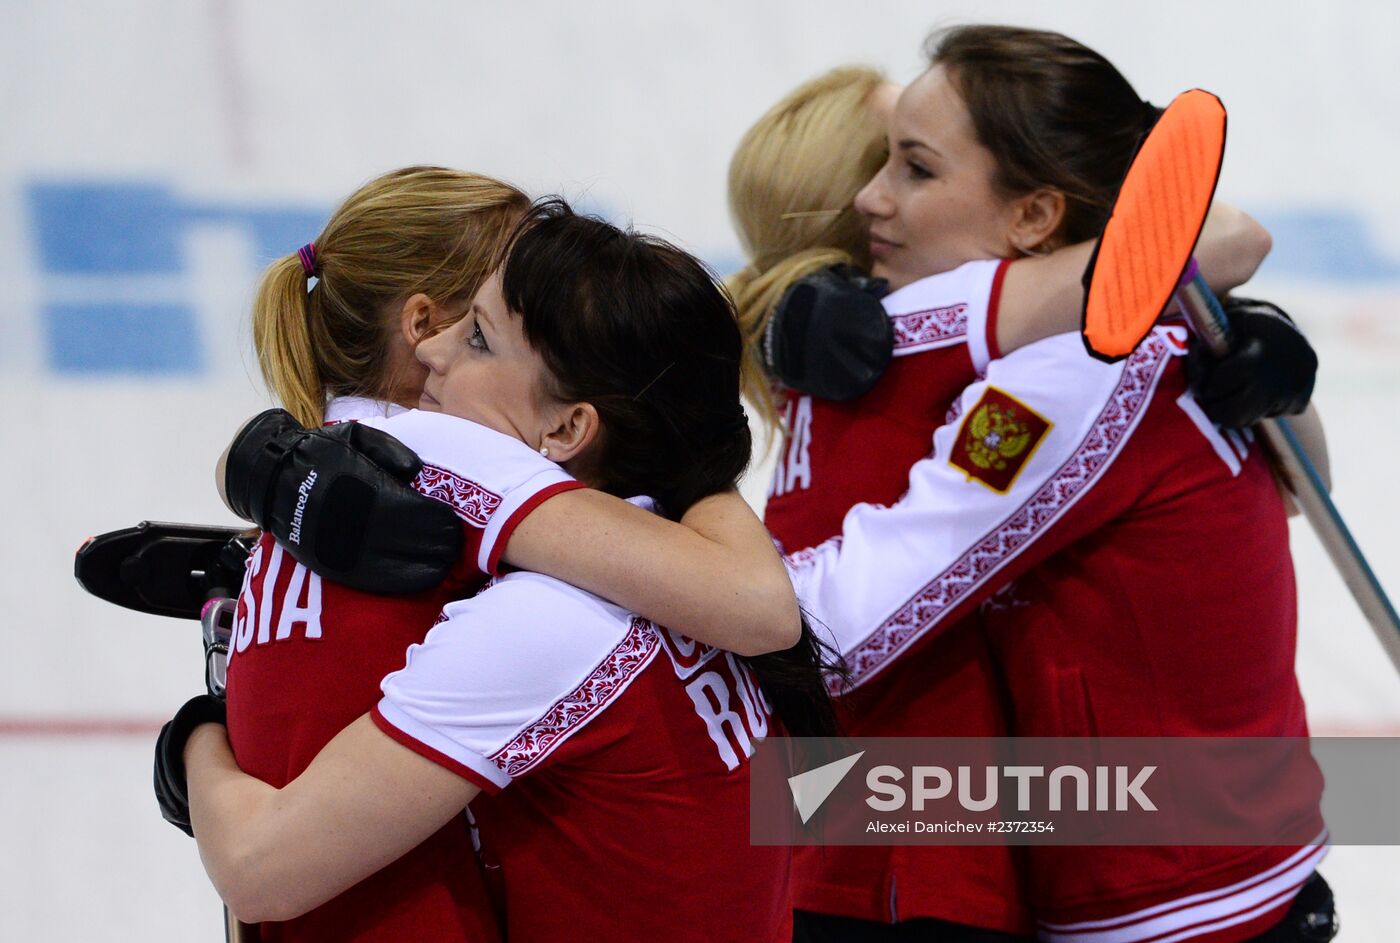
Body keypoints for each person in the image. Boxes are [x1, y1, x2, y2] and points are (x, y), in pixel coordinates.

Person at [775, 27, 1330, 943]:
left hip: (1180, 904)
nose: (870, 198)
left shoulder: (1062, 379)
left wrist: (626, 561)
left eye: (915, 168)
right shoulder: (1137, 325)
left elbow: (842, 626)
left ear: (1034, 218)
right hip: (1232, 865)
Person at [157, 200, 836, 942]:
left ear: (570, 427)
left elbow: (260, 868)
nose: (435, 352)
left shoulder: (549, 614)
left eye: (477, 336)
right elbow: (800, 797)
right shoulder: (679, 530)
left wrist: (199, 732)